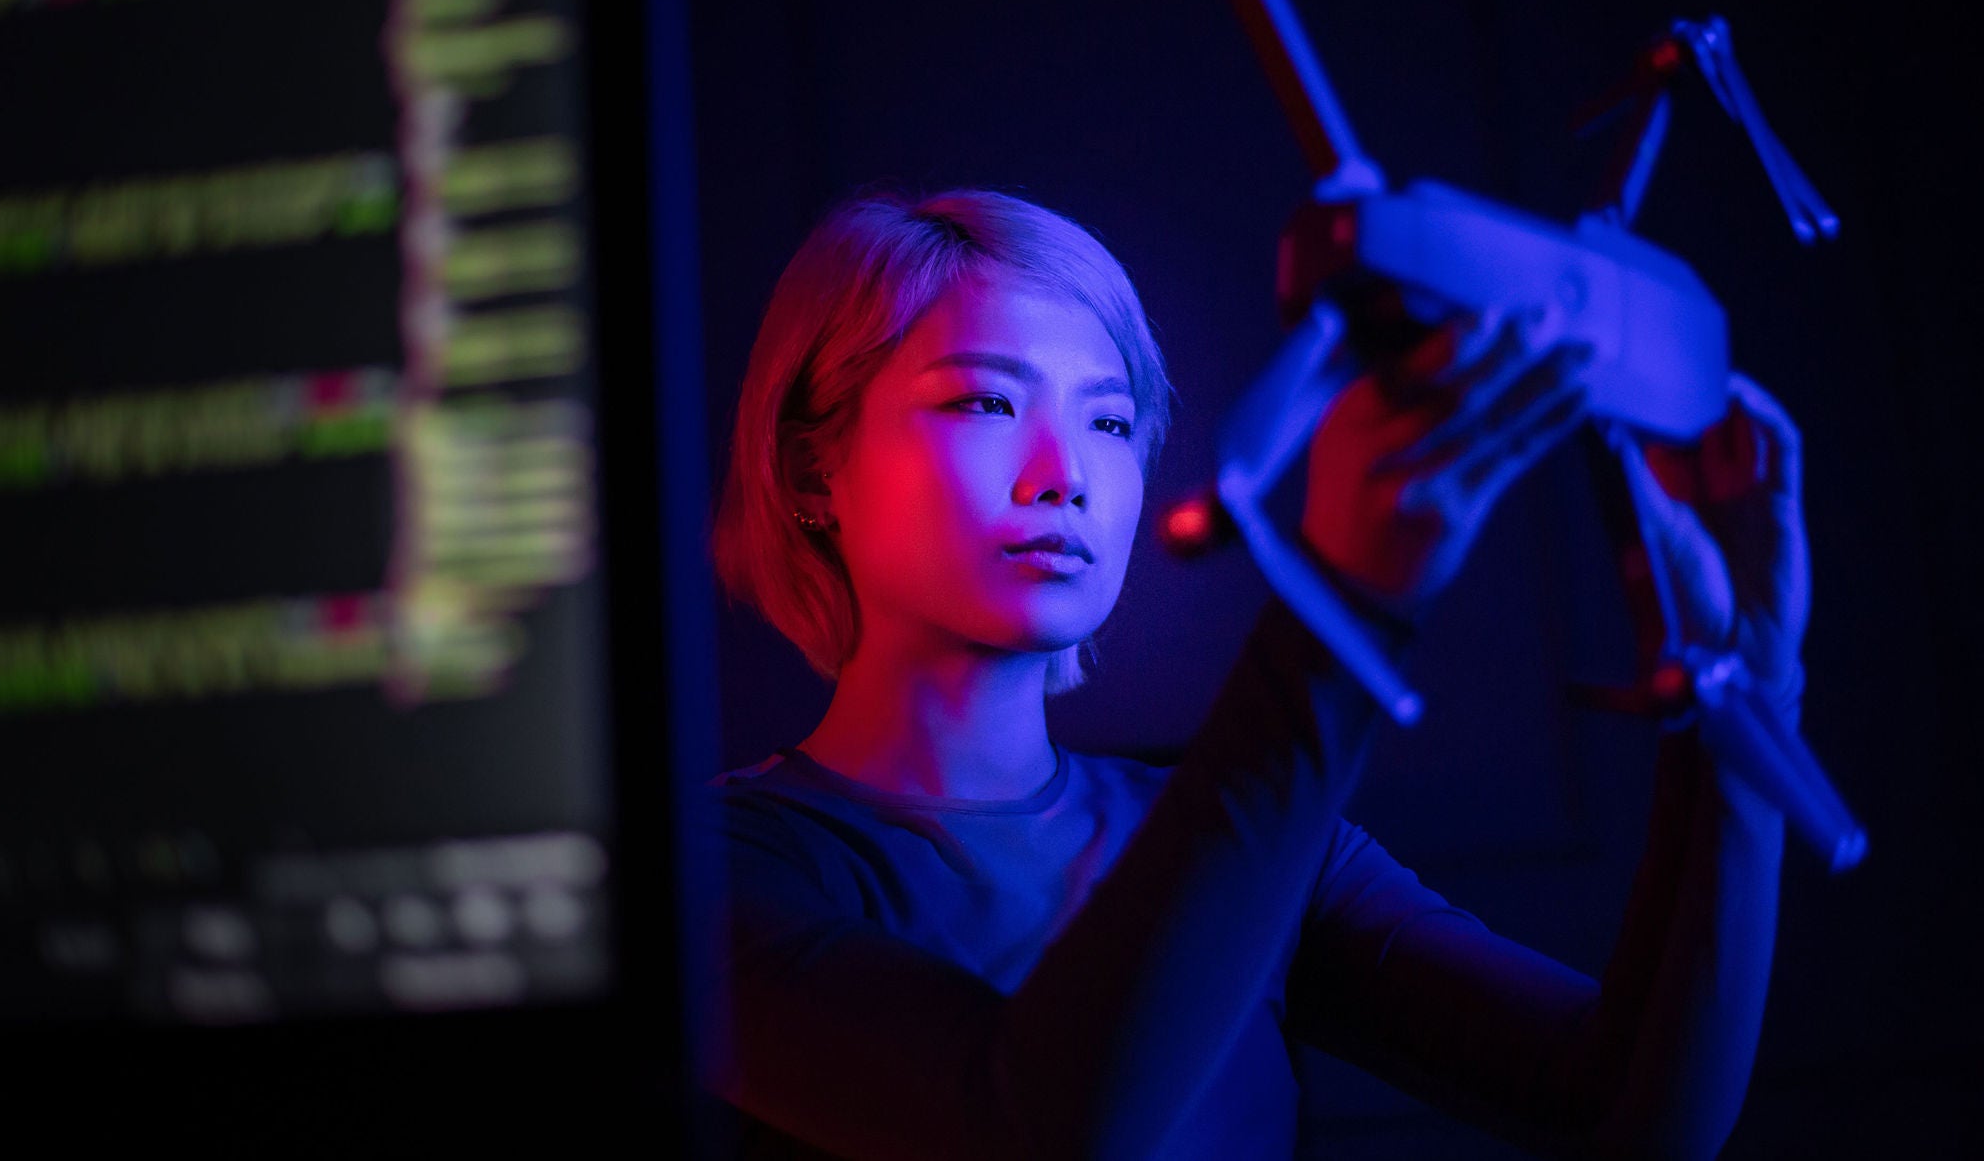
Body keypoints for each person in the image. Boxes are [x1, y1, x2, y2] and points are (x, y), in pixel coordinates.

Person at [701, 187, 1808, 1160]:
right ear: (811, 467)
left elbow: (1633, 1112)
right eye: (985, 402)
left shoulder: (1262, 846)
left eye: (1110, 419)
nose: (1064, 476)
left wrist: (1744, 684)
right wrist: (1343, 605)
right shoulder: (701, 879)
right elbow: (1032, 1124)